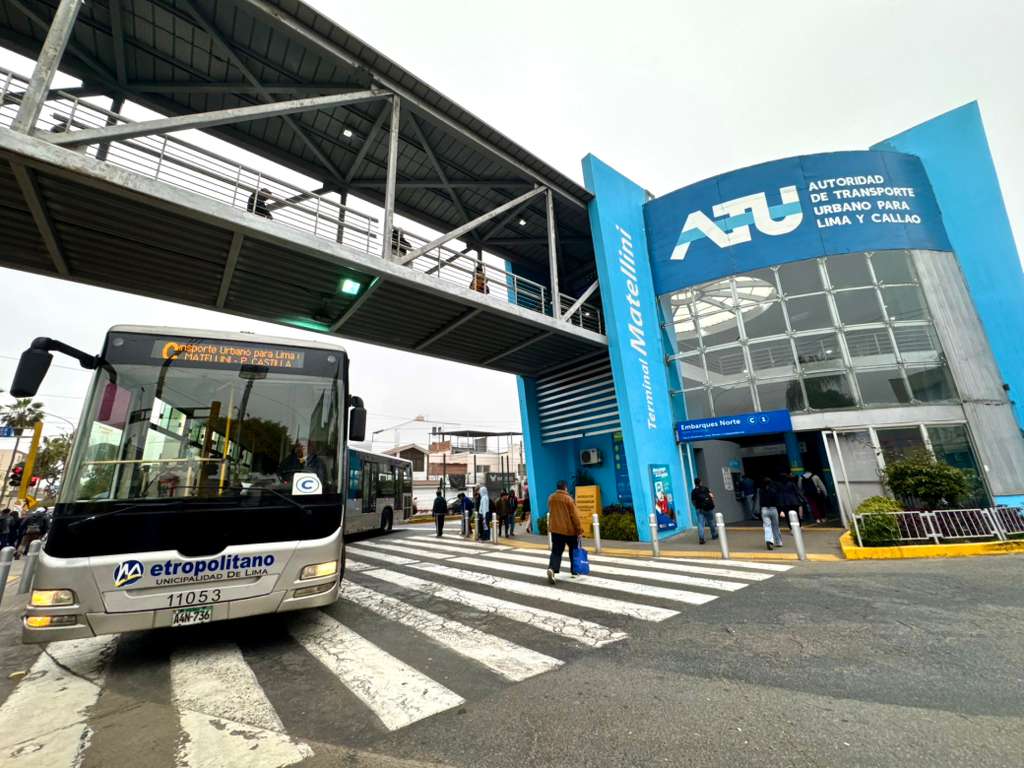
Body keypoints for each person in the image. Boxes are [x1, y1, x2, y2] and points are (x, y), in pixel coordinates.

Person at [546, 480, 583, 584]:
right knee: (573, 549)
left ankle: (552, 569)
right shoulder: (568, 499)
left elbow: (550, 510)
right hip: (569, 530)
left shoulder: (551, 498)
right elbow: (575, 516)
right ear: (565, 488)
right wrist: (579, 529)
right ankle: (575, 570)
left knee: (556, 551)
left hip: (555, 530)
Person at [689, 477, 717, 545]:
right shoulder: (706, 488)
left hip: (699, 509)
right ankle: (714, 535)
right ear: (700, 482)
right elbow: (712, 496)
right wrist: (712, 504)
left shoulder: (693, 491)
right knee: (710, 521)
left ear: (695, 483)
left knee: (700, 523)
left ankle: (701, 538)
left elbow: (693, 501)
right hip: (708, 508)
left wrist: (696, 507)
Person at [759, 477, 783, 551]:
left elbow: (760, 501)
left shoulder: (761, 491)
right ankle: (778, 541)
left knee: (767, 526)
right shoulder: (774, 490)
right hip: (773, 509)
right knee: (775, 526)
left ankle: (769, 541)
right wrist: (781, 510)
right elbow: (778, 501)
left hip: (764, 509)